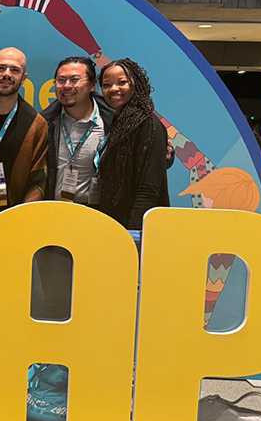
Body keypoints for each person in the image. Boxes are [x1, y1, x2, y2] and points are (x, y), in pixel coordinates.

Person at [35, 56, 113, 320]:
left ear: (92, 85)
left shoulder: (113, 122)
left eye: (75, 79)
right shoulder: (44, 122)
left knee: (96, 301)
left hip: (98, 224)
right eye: (61, 80)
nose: (66, 85)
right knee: (55, 303)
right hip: (53, 226)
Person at [0, 47, 48, 220]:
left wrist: (21, 221)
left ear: (24, 78)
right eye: (1, 68)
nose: (7, 74)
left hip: (9, 218)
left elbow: (37, 180)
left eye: (15, 70)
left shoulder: (36, 124)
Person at [96, 58, 169, 231]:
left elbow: (148, 187)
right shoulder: (116, 123)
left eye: (122, 82)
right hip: (114, 223)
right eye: (106, 85)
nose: (113, 89)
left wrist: (135, 233)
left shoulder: (148, 124)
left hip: (135, 227)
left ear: (136, 84)